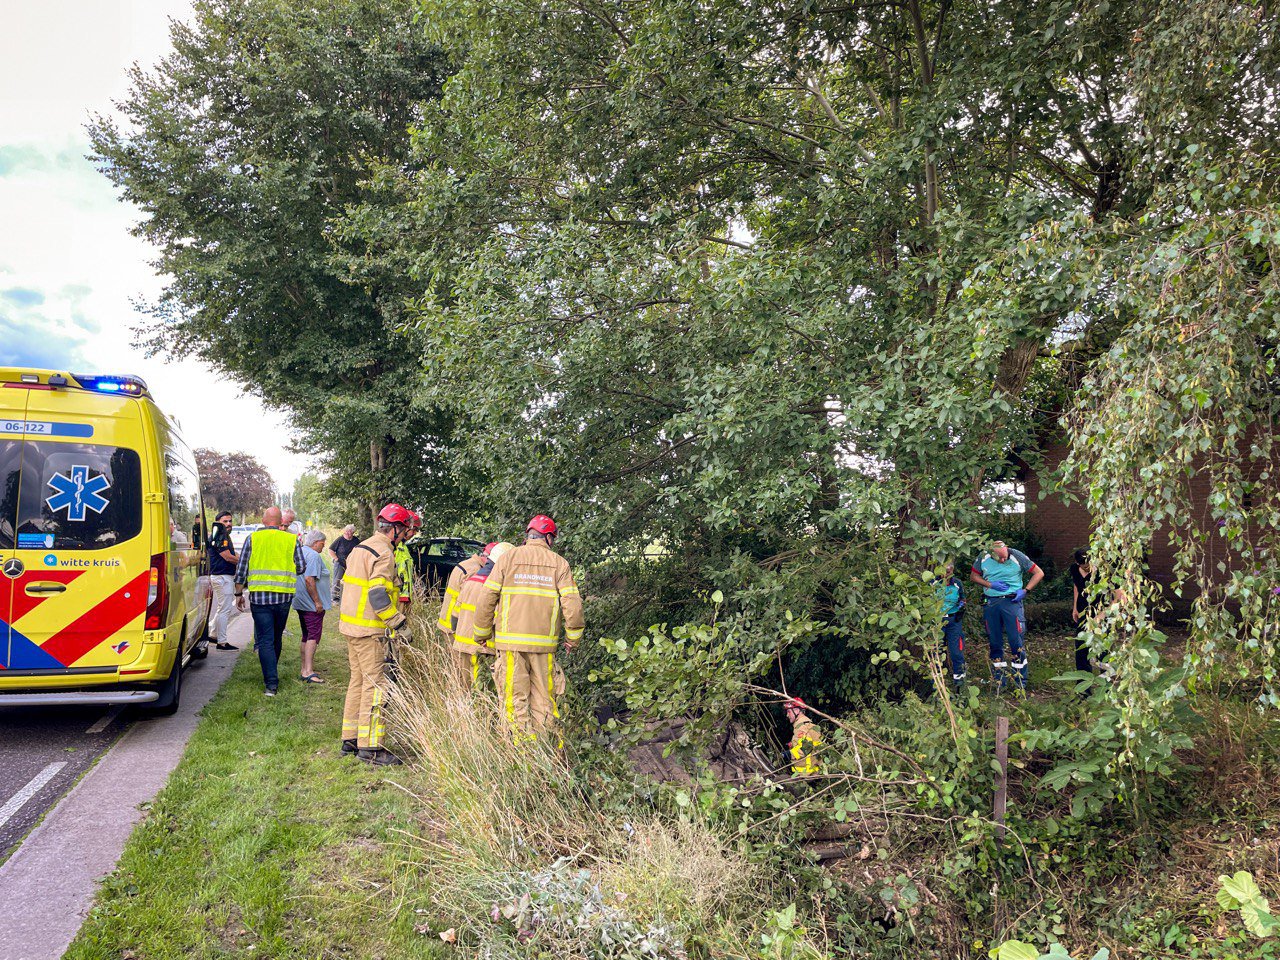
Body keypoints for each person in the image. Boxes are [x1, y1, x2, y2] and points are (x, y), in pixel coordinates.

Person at [473, 516, 584, 744]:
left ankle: (521, 753)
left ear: (529, 535)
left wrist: (482, 633)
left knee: (515, 700)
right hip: (544, 647)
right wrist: (573, 638)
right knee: (545, 700)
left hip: (510, 644)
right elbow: (572, 604)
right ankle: (548, 751)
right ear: (549, 538)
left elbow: (486, 598)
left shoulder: (508, 559)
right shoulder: (559, 564)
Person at [338, 503, 415, 765]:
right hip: (370, 630)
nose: (406, 534)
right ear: (395, 529)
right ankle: (371, 747)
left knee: (357, 682)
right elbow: (378, 594)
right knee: (376, 686)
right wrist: (398, 623)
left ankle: (351, 737)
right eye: (405, 530)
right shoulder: (384, 552)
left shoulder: (361, 548)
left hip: (351, 627)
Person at [234, 507, 306, 697]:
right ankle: (271, 673)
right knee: (276, 636)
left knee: (265, 639)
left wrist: (238, 593)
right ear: (280, 521)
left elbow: (241, 569)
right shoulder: (291, 540)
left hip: (260, 598)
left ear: (264, 521)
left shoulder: (253, 539)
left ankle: (271, 684)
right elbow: (301, 567)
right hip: (283, 597)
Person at [970, 539, 1044, 691]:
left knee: (1016, 641)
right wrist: (990, 584)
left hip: (1012, 603)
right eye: (1000, 558)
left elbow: (1039, 573)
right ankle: (999, 681)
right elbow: (974, 577)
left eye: (1005, 557)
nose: (1003, 560)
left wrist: (1025, 591)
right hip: (991, 603)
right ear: (991, 554)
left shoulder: (1017, 556)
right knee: (995, 641)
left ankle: (1020, 682)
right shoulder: (983, 557)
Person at [449, 542, 513, 689]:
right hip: (484, 649)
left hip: (462, 645)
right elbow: (498, 620)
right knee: (481, 690)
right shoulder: (495, 587)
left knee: (464, 688)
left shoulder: (471, 581)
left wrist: (456, 636)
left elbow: (455, 613)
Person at [437, 542, 492, 649]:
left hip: (447, 621)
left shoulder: (468, 563)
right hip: (454, 625)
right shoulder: (476, 571)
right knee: (459, 663)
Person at [294, 528, 332, 684]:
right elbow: (310, 579)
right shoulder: (314, 556)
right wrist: (317, 601)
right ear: (316, 543)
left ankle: (304, 668)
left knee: (306, 635)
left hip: (300, 600)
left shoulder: (300, 551)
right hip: (311, 604)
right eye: (322, 544)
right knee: (313, 637)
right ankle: (308, 671)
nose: (323, 547)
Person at [206, 510, 240, 651]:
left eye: (230, 521)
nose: (228, 524)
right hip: (222, 576)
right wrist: (243, 562)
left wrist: (238, 556)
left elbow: (232, 553)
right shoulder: (219, 535)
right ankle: (222, 642)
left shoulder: (222, 535)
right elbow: (227, 556)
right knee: (225, 609)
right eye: (225, 521)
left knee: (222, 608)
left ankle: (214, 635)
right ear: (218, 522)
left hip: (222, 576)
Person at [935, 562, 967, 689]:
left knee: (956, 653)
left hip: (954, 621)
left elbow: (963, 599)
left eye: (948, 572)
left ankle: (960, 685)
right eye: (943, 571)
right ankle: (937, 686)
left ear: (952, 571)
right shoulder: (933, 583)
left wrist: (962, 606)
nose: (946, 575)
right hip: (938, 622)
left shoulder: (957, 584)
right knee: (937, 652)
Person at [1070, 548, 1098, 674]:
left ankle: (1108, 687)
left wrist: (1100, 617)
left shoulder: (1102, 571)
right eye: (1084, 567)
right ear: (1077, 563)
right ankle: (1084, 687)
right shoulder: (1074, 569)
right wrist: (1075, 607)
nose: (1087, 569)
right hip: (1082, 611)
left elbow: (1117, 597)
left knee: (1102, 649)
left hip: (1100, 612)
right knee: (1081, 647)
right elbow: (1076, 586)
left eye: (1089, 566)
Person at [784, 697, 823, 777]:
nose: (787, 715)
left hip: (806, 775)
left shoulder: (801, 727)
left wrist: (788, 754)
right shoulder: (809, 724)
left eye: (789, 711)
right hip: (815, 772)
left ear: (797, 710)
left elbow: (806, 747)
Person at [395, 511, 421, 613]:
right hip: (396, 599)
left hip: (404, 598)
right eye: (414, 529)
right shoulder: (393, 548)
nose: (414, 533)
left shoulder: (403, 547)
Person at [329, 524, 358, 601]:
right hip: (340, 562)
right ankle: (335, 597)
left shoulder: (356, 540)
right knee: (337, 579)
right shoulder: (340, 540)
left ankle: (347, 596)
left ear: (353, 532)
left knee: (349, 580)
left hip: (351, 563)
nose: (348, 533)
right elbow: (331, 549)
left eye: (350, 532)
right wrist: (336, 558)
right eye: (346, 532)